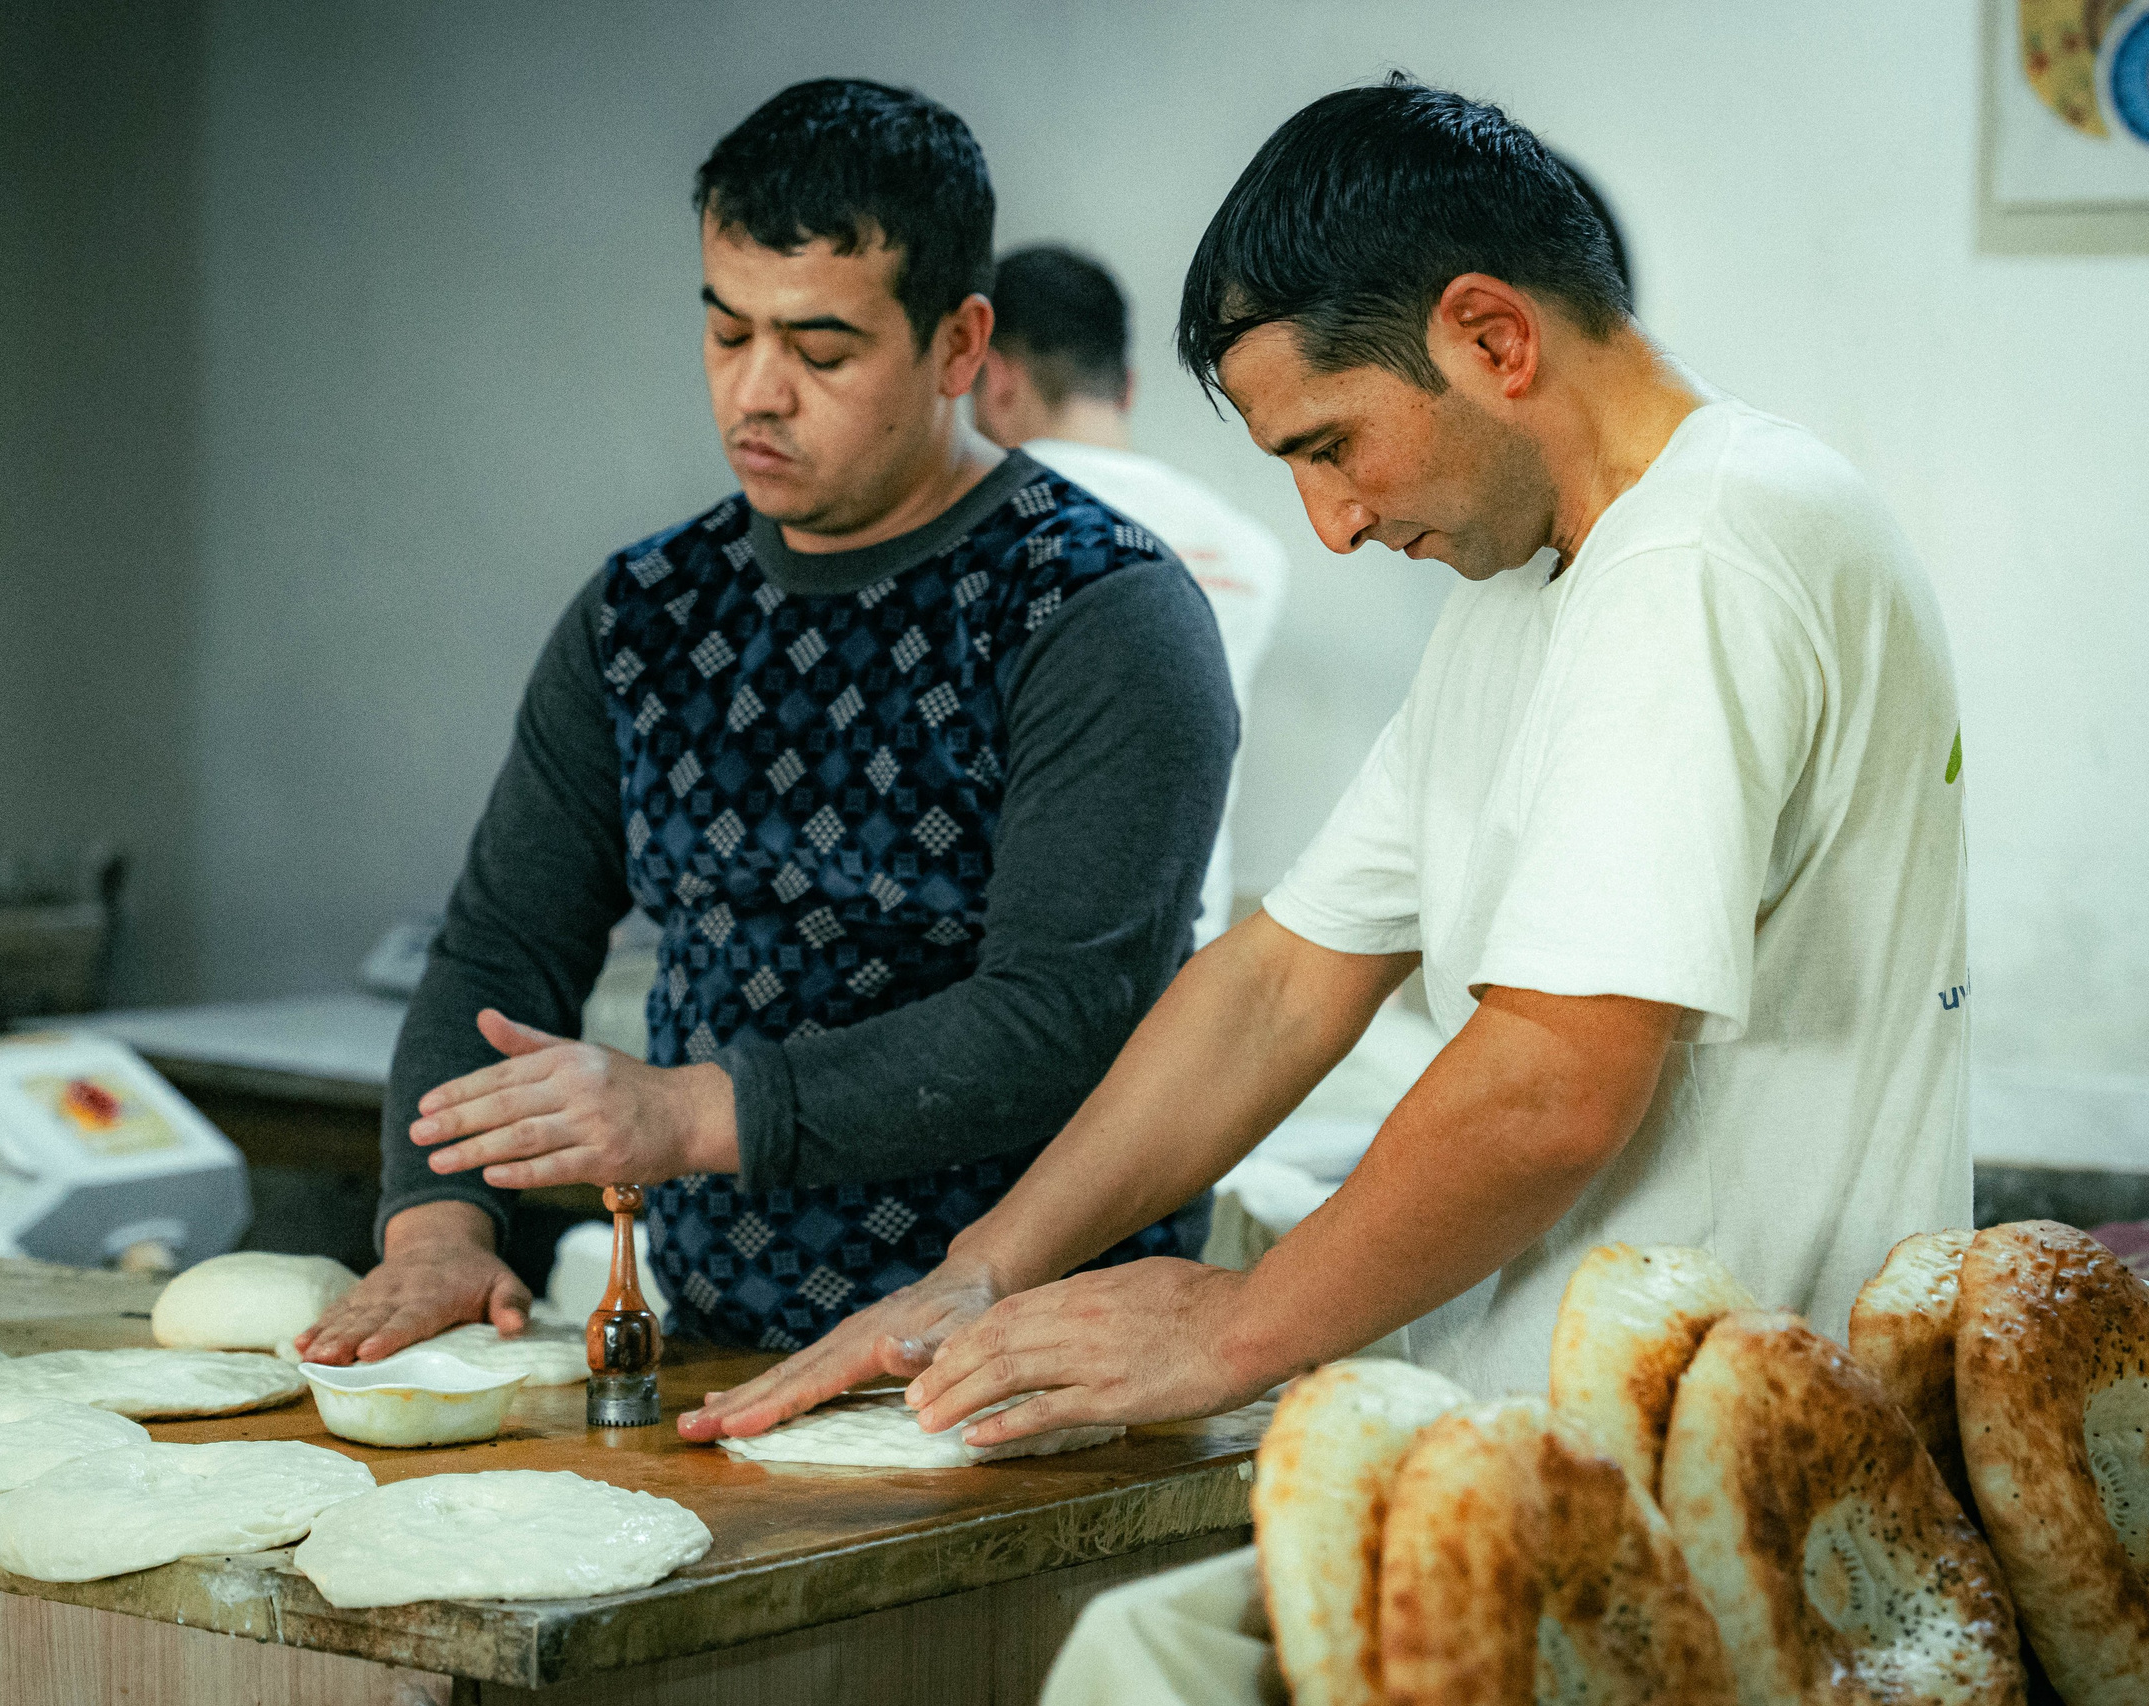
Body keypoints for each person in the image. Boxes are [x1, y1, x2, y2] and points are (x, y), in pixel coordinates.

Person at [683, 77, 1967, 1448]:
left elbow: (1555, 1083)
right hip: (1575, 1469)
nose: (1334, 523)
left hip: (1752, 1484)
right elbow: (1284, 981)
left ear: (1490, 335)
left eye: (1331, 445)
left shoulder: (1708, 550)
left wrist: (1234, 1325)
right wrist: (984, 1268)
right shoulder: (1527, 590)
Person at [296, 79, 1235, 1364]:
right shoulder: (647, 612)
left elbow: (1061, 1016)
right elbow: (501, 951)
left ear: (961, 347)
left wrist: (687, 1113)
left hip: (1032, 1364)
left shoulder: (1096, 610)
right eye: (727, 333)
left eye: (821, 349)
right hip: (726, 1350)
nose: (757, 393)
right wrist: (440, 1228)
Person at [971, 245, 1289, 947]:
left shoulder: (963, 536)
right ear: (1128, 387)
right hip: (1183, 970)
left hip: (1002, 971)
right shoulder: (1249, 554)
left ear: (995, 379)